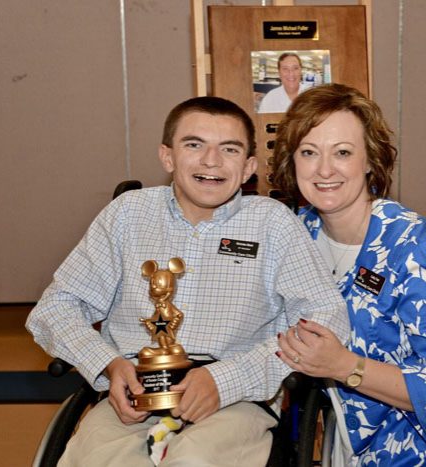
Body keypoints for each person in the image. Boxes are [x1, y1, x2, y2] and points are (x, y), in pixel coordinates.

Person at [26, 95, 349, 466]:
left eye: (229, 149)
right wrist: (107, 365)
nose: (211, 161)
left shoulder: (272, 224)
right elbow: (56, 307)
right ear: (167, 157)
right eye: (194, 145)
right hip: (133, 391)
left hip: (236, 400)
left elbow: (326, 317)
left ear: (248, 168)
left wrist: (227, 380)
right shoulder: (128, 215)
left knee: (194, 459)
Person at [271, 83, 426, 466]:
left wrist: (343, 366)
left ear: (370, 161)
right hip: (355, 438)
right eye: (309, 152)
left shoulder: (420, 251)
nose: (324, 170)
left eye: (342, 153)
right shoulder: (296, 233)